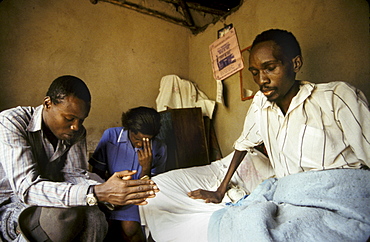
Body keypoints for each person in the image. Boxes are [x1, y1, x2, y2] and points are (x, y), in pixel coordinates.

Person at [140, 29, 370, 241]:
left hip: (336, 198)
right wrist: (220, 191)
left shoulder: (336, 97)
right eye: (255, 72)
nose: (261, 80)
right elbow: (243, 143)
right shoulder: (262, 103)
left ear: (295, 63)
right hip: (290, 198)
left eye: (270, 68)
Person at [0, 75, 159, 242]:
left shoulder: (77, 132)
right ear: (48, 103)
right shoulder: (11, 122)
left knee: (95, 218)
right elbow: (27, 189)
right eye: (69, 118)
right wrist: (97, 192)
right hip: (11, 203)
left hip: (52, 198)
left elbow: (75, 176)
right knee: (61, 216)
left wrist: (113, 188)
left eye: (81, 120)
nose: (75, 126)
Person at [89, 106, 167, 241]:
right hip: (109, 194)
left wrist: (146, 167)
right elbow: (97, 172)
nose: (140, 144)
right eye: (137, 138)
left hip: (136, 197)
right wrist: (104, 198)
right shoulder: (111, 136)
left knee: (129, 228)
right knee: (100, 226)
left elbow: (152, 187)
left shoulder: (159, 148)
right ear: (129, 129)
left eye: (147, 140)